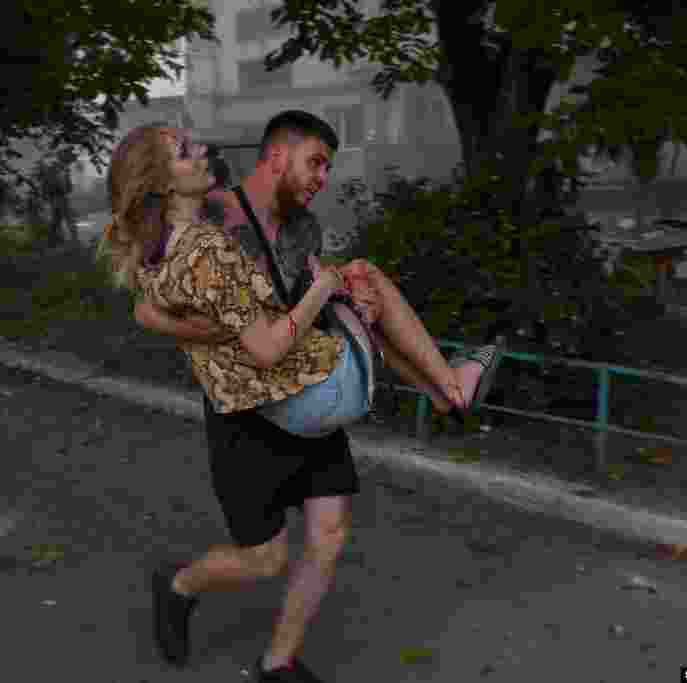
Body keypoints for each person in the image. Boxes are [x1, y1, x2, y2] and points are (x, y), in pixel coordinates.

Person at [98, 111, 499, 682]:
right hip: (246, 411)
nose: (322, 178)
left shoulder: (302, 227)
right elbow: (149, 306)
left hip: (303, 380)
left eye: (329, 168)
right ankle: (178, 584)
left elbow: (295, 293)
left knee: (329, 535)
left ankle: (277, 663)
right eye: (315, 162)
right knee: (265, 558)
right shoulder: (214, 214)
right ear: (277, 155)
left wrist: (343, 294)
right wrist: (218, 331)